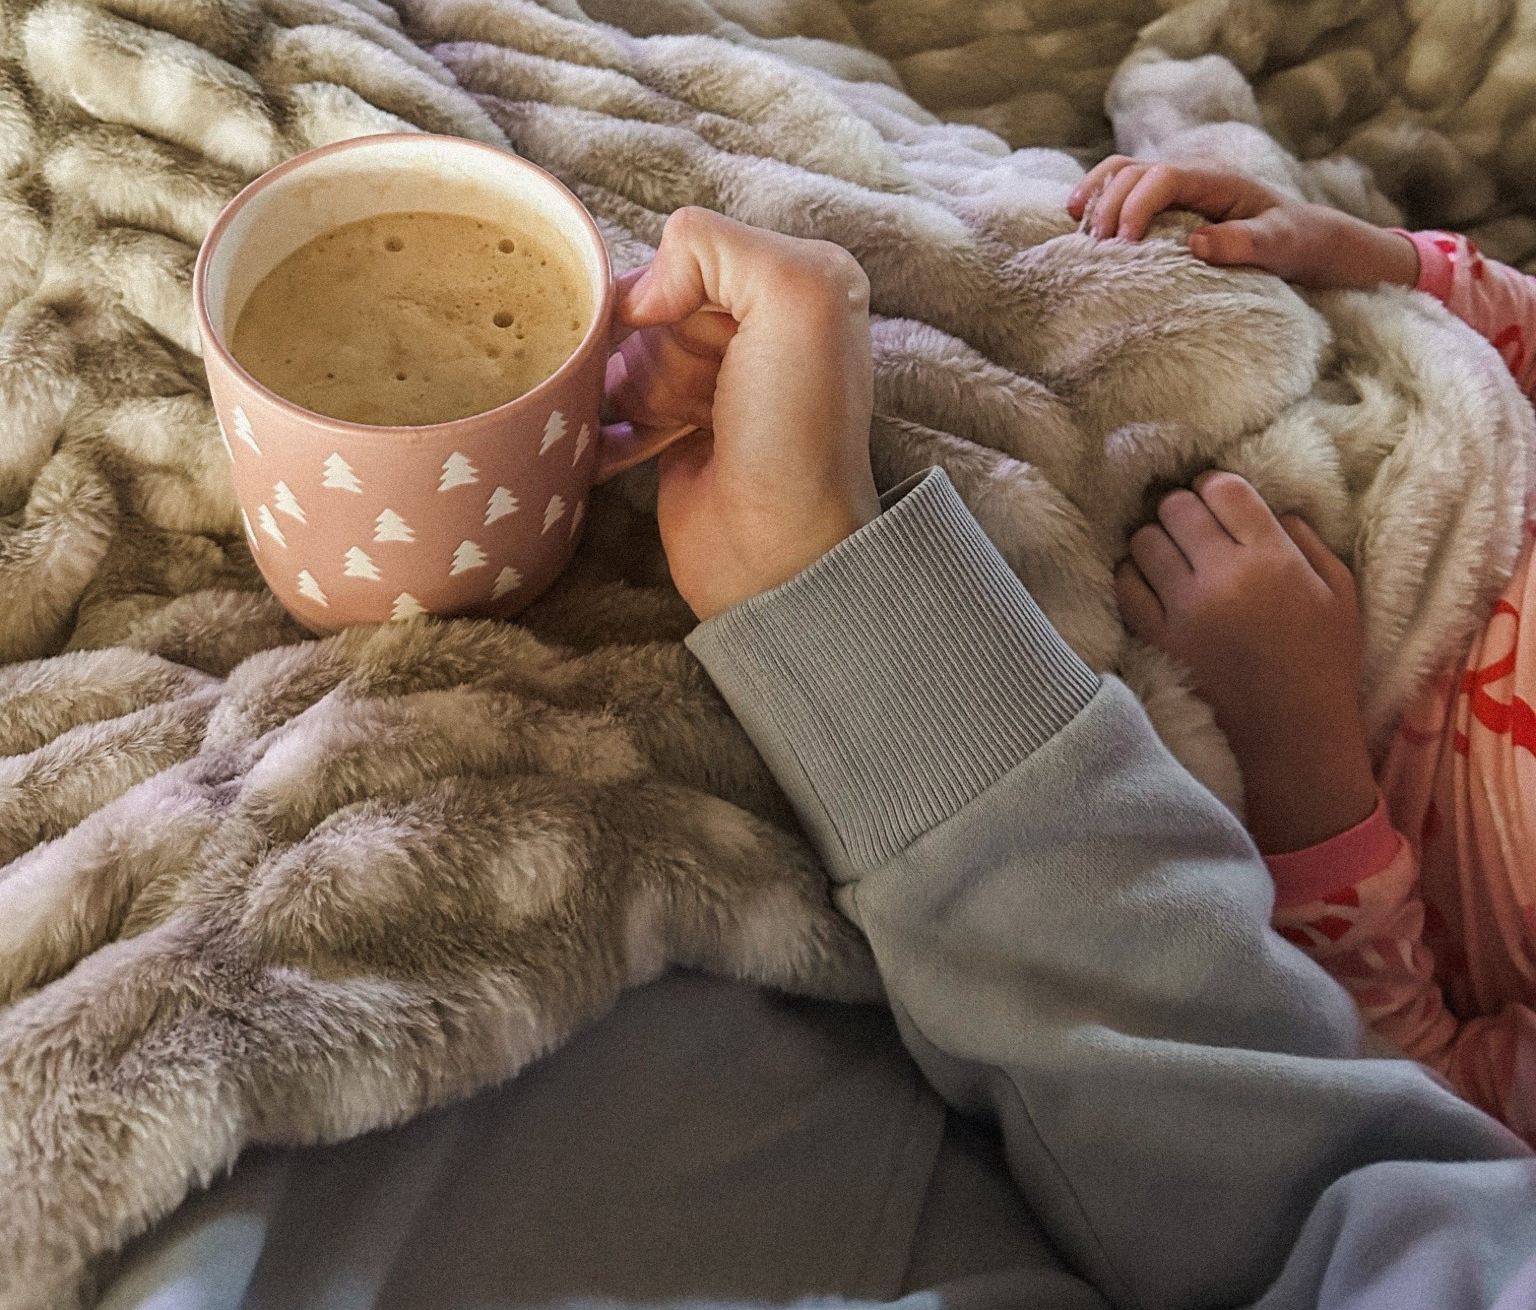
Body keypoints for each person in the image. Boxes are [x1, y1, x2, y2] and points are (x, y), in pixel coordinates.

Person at [103, 205, 1536, 1310]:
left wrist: (1305, 765)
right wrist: (1387, 257)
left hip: (1306, 742)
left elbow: (1406, 1111)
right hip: (1406, 440)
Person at [1068, 155, 1536, 1148]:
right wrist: (1362, 252)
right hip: (1416, 399)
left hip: (1276, 722)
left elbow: (1432, 1099)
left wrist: (1297, 744)